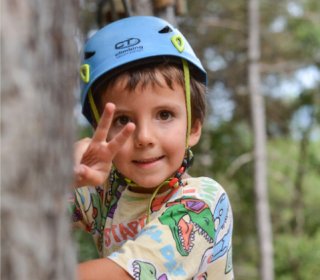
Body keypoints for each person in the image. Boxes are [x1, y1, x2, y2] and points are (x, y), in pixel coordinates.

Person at [72, 16, 234, 280]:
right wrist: (63, 176)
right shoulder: (102, 193)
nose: (144, 138)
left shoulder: (200, 203)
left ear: (193, 127)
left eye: (164, 115)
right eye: (123, 120)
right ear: (99, 133)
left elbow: (125, 275)